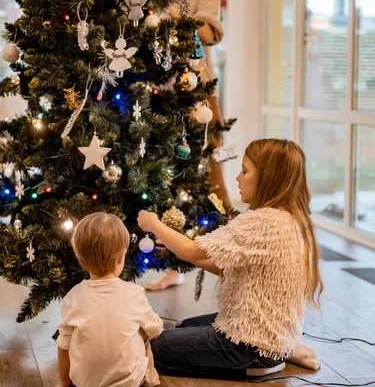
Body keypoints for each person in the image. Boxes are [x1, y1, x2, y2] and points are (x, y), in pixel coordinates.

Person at [138, 139, 323, 378]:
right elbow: (221, 265)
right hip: (268, 336)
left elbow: (192, 251)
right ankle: (283, 351)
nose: (238, 177)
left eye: (245, 171)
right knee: (183, 327)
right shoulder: (289, 218)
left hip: (249, 345)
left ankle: (258, 364)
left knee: (149, 347)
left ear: (268, 178)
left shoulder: (262, 222)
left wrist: (154, 224)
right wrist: (175, 244)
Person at [147, 0, 231, 291]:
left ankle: (228, 263)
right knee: (156, 180)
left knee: (208, 179)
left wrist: (169, 19)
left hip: (194, 91)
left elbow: (209, 32)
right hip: (146, 89)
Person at [56, 213, 163, 387]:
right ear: (121, 258)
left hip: (85, 383)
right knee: (143, 335)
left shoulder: (72, 298)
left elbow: (63, 345)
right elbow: (155, 331)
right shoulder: (134, 294)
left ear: (80, 257)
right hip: (129, 382)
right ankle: (153, 382)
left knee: (70, 338)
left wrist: (64, 381)